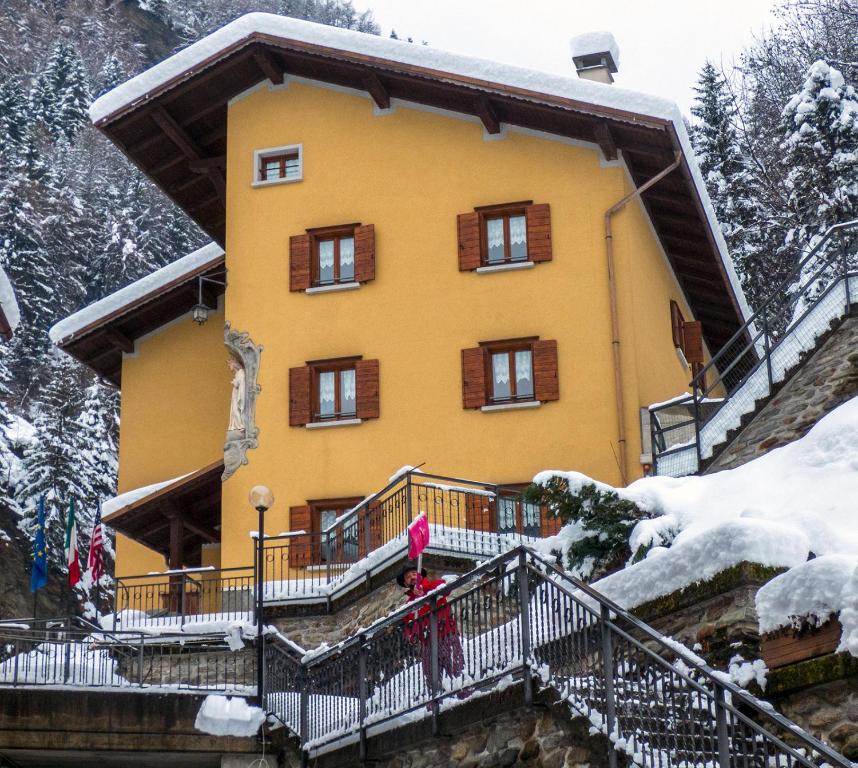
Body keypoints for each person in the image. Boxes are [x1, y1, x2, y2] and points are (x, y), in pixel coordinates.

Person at [397, 563, 467, 699]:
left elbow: (445, 587)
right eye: (407, 576)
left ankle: (464, 696)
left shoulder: (433, 586)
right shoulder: (410, 604)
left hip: (446, 635)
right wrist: (411, 636)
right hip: (427, 644)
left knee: (456, 670)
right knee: (432, 679)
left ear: (419, 575)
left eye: (413, 573)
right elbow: (408, 626)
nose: (411, 577)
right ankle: (435, 706)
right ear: (405, 583)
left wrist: (423, 589)